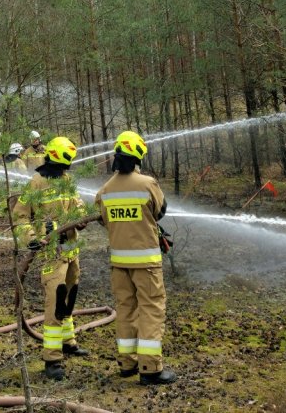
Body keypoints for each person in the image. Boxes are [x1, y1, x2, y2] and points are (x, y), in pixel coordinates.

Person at [92, 130, 177, 385]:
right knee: (150, 309)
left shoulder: (105, 190)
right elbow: (160, 211)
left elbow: (103, 220)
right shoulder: (147, 184)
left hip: (119, 264)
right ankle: (150, 368)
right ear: (139, 154)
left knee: (126, 309)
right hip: (146, 264)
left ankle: (127, 364)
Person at [11, 136, 89, 381]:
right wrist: (31, 237)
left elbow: (78, 205)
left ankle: (68, 341)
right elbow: (20, 216)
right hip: (51, 252)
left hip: (71, 249)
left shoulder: (66, 179)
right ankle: (52, 358)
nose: (67, 169)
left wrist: (82, 217)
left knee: (69, 295)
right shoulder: (36, 182)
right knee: (55, 301)